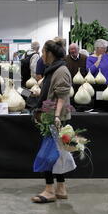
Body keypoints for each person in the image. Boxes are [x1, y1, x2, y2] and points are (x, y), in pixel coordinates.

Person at [32, 38, 73, 204]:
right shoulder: (53, 69)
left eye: (43, 52)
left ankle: (49, 190)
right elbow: (53, 92)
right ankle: (61, 188)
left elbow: (62, 96)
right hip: (51, 116)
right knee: (57, 154)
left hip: (54, 119)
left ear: (50, 53)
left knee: (47, 156)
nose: (42, 55)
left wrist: (55, 116)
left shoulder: (61, 70)